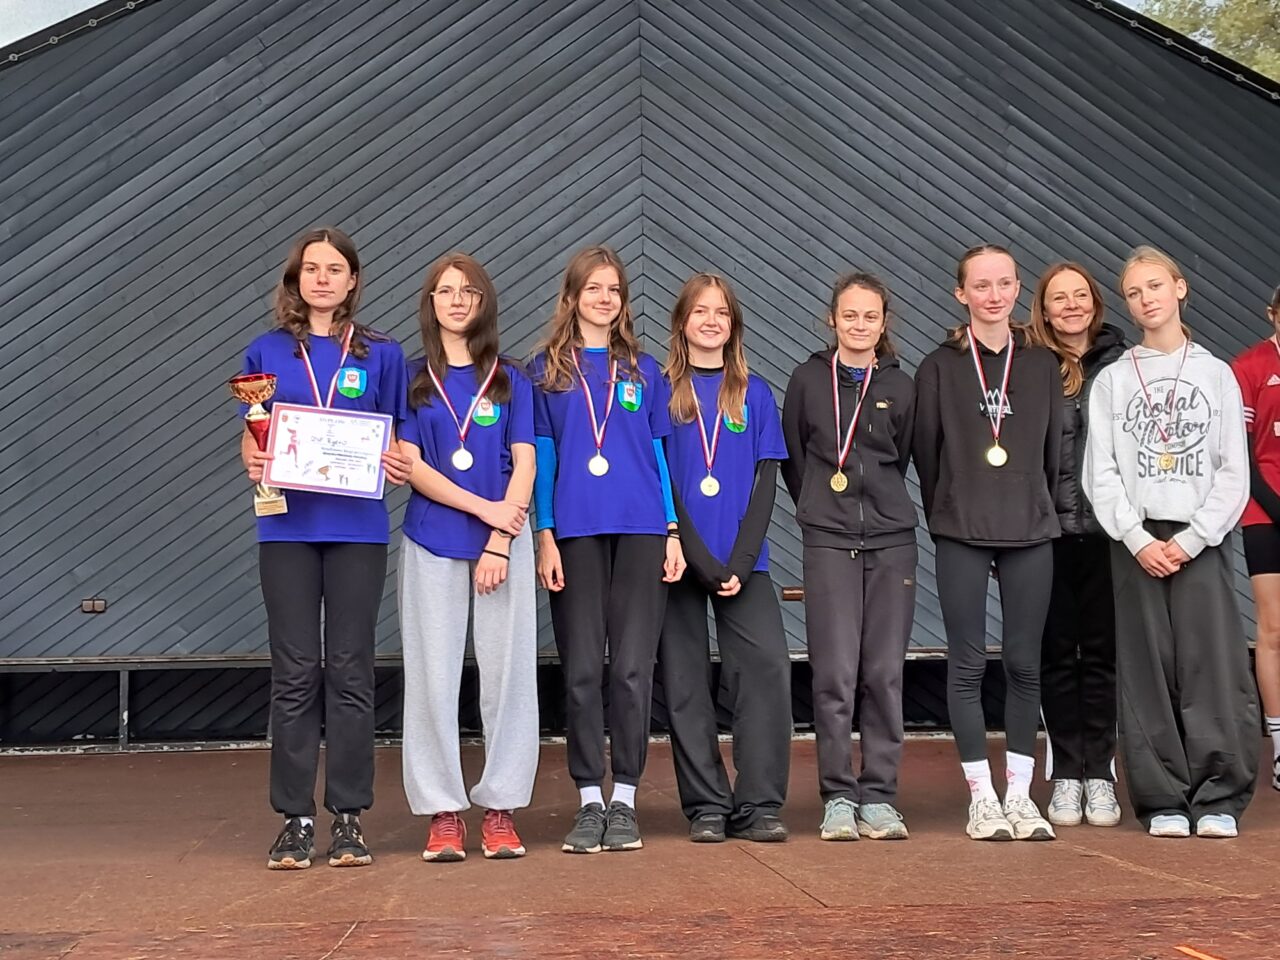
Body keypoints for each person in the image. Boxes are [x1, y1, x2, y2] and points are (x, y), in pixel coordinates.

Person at [239, 227, 409, 869]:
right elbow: (253, 436)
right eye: (311, 269)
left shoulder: (383, 353)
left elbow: (398, 435)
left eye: (334, 269)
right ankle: (295, 818)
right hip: (286, 530)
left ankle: (349, 815)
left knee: (350, 670)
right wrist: (253, 458)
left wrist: (397, 460)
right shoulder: (266, 350)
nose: (322, 279)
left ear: (352, 280)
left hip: (358, 529)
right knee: (294, 673)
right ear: (296, 278)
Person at [1085, 245, 1257, 838]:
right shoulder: (1113, 380)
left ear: (1179, 288)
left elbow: (1234, 470)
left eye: (1155, 286)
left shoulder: (1216, 374)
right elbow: (1100, 471)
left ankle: (1219, 795)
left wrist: (1195, 538)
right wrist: (1136, 537)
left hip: (1199, 539)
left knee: (1212, 666)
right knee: (1146, 670)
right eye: (1133, 293)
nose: (1145, 300)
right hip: (1136, 540)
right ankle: (1162, 798)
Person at [529, 245, 686, 854]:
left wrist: (671, 530)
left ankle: (625, 799)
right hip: (575, 530)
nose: (604, 298)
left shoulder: (644, 371)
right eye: (592, 288)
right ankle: (588, 799)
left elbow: (659, 455)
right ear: (572, 297)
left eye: (613, 289)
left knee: (630, 669)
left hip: (642, 529)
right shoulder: (545, 372)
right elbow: (543, 459)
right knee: (582, 671)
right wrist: (544, 533)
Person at [913, 244, 1062, 842]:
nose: (994, 295)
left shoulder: (1042, 364)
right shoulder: (939, 366)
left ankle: (1021, 797)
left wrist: (1033, 502)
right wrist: (951, 506)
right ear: (961, 294)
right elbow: (927, 455)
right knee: (968, 662)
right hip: (962, 528)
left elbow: (1052, 453)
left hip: (1030, 527)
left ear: (1018, 289)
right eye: (981, 285)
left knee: (1025, 662)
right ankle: (983, 798)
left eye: (1004, 284)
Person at [396, 253, 538, 862]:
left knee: (509, 678)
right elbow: (411, 466)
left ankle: (500, 807)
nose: (457, 301)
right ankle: (443, 811)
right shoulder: (409, 379)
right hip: (433, 538)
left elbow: (526, 461)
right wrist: (487, 513)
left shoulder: (512, 378)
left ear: (484, 303)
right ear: (430, 303)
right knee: (432, 676)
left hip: (504, 545)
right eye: (445, 291)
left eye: (469, 292)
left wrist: (500, 538)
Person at [782, 272, 917, 841]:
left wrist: (875, 504)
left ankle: (879, 796)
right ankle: (838, 795)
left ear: (884, 324)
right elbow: (795, 457)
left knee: (884, 674)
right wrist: (821, 505)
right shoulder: (807, 379)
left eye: (870, 316)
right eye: (850, 315)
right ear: (832, 319)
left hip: (891, 541)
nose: (860, 325)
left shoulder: (901, 385)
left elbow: (901, 456)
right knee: (835, 674)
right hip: (828, 539)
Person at [659, 273, 792, 844]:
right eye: (700, 311)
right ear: (682, 323)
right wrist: (698, 557)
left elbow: (766, 481)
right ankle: (707, 805)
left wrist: (739, 561)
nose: (711, 321)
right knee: (685, 680)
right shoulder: (664, 391)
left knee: (766, 669)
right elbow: (662, 480)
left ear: (733, 325)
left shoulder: (754, 393)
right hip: (678, 561)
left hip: (744, 563)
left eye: (722, 313)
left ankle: (759, 803)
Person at [1028, 263, 1126, 828]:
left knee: (1105, 656)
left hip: (1112, 536)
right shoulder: (1033, 365)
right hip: (1049, 535)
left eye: (1080, 295)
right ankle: (1067, 773)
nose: (1071, 306)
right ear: (1043, 309)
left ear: (1095, 302)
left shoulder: (1124, 362)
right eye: (1058, 298)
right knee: (1057, 655)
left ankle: (1102, 774)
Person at [1231, 283, 1280, 793]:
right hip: (1265, 514)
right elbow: (1243, 456)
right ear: (1272, 314)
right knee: (1274, 628)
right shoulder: (1248, 367)